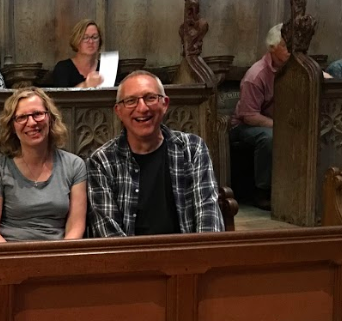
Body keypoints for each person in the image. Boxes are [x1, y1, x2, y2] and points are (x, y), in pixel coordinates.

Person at [87, 70, 223, 237]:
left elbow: (208, 216)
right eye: (131, 101)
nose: (142, 108)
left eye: (150, 98)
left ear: (165, 104)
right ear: (118, 111)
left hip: (186, 251)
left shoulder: (192, 149)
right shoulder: (102, 161)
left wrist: (200, 252)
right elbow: (108, 232)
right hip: (128, 253)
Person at [0, 87, 87, 242]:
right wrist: (14, 255)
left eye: (37, 114)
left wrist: (62, 254)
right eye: (22, 117)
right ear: (12, 126)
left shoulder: (74, 165)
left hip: (59, 251)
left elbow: (76, 227)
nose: (31, 122)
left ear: (50, 118)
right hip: (9, 251)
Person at [230, 23, 289, 210]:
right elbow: (249, 116)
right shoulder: (256, 75)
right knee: (269, 138)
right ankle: (262, 192)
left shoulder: (294, 69)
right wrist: (279, 126)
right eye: (285, 45)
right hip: (244, 126)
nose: (291, 50)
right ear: (272, 47)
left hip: (276, 122)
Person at [41, 19, 105, 89]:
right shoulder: (63, 68)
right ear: (76, 40)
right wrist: (85, 85)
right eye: (85, 37)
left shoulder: (105, 67)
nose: (91, 41)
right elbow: (62, 94)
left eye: (95, 37)